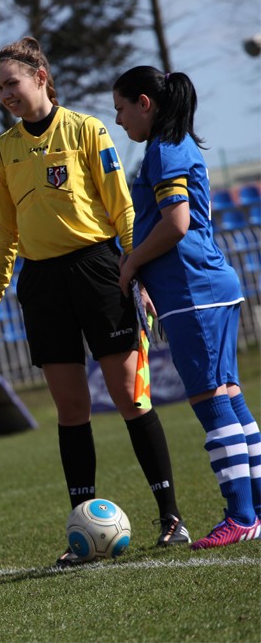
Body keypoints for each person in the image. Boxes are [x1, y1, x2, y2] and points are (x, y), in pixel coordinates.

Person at [0, 37, 190, 567]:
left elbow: (122, 209)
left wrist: (135, 272)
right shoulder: (1, 150)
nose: (6, 94)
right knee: (71, 409)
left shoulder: (87, 129)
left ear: (41, 77)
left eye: (12, 83)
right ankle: (82, 531)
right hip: (42, 285)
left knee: (129, 397)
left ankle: (171, 518)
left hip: (98, 271)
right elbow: (7, 230)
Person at [113, 66, 261, 548]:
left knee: (210, 399)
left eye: (121, 108)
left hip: (192, 291)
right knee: (229, 395)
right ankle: (255, 511)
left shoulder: (165, 149)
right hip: (208, 286)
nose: (118, 120)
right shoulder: (174, 145)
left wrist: (132, 262)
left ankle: (241, 516)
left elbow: (176, 223)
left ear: (145, 103)